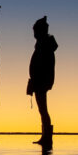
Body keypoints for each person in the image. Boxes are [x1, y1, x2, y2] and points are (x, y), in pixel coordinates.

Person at [27, 16, 58, 147]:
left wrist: (37, 80)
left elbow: (44, 66)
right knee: (42, 109)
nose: (34, 34)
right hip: (40, 81)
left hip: (41, 82)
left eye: (35, 31)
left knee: (43, 109)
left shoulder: (44, 45)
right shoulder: (43, 44)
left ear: (40, 31)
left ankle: (46, 138)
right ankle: (45, 137)